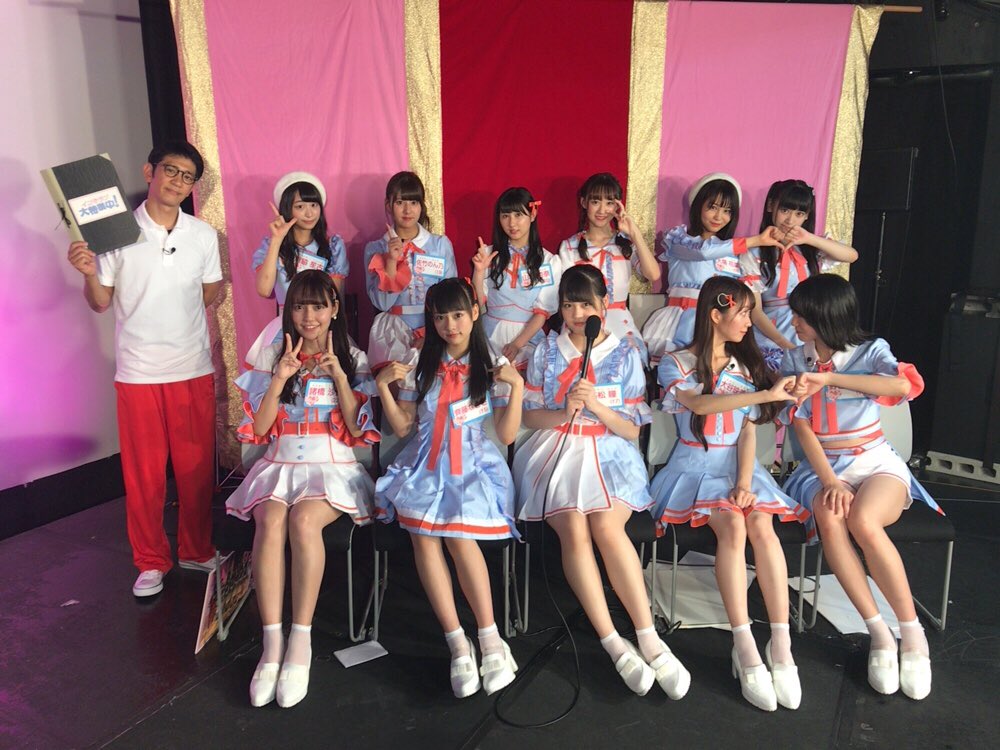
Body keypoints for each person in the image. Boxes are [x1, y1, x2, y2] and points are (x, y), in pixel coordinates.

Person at [513, 265, 690, 699]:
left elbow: (631, 430)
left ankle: (648, 636)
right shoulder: (545, 352)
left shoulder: (626, 353)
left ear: (604, 304)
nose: (577, 314)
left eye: (585, 305)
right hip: (557, 449)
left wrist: (597, 406)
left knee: (608, 528)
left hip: (610, 451)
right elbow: (527, 417)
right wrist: (564, 412)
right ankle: (613, 642)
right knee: (574, 529)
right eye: (568, 305)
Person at [66, 140, 221, 597]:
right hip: (138, 374)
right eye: (170, 170)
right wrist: (87, 272)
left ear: (193, 186)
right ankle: (151, 560)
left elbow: (210, 292)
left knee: (196, 472)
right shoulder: (114, 233)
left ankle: (196, 550)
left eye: (187, 177)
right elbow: (100, 302)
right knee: (144, 477)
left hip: (192, 367)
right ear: (149, 171)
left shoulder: (203, 235)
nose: (178, 182)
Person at [782, 274, 942, 701]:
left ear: (825, 317)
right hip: (823, 467)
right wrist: (830, 481)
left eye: (801, 316)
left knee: (864, 522)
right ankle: (879, 634)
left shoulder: (871, 351)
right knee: (831, 516)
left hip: (875, 460)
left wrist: (830, 380)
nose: (793, 322)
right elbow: (801, 426)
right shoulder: (794, 359)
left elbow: (901, 386)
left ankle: (912, 634)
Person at [650, 277, 807, 711]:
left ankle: (780, 644)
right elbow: (699, 405)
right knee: (733, 527)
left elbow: (747, 431)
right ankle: (744, 644)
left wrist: (744, 483)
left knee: (762, 525)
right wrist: (763, 393)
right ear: (715, 314)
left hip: (740, 469)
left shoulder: (747, 365)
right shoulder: (676, 363)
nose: (749, 322)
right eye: (743, 313)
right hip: (694, 467)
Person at [226, 270, 378, 708]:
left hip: (331, 465)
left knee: (305, 520)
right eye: (299, 306)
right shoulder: (274, 353)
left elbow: (356, 429)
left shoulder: (352, 356)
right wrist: (280, 377)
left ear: (334, 309)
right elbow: (258, 428)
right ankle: (271, 643)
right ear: (288, 310)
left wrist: (340, 377)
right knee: (271, 520)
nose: (308, 316)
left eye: (317, 306)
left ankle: (301, 640)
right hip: (280, 463)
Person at [374, 278, 523, 698]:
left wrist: (517, 387)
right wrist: (383, 387)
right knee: (423, 536)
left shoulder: (492, 362)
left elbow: (507, 435)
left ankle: (490, 639)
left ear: (475, 312)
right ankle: (457, 642)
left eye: (458, 314)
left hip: (472, 464)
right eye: (440, 317)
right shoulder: (418, 359)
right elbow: (403, 426)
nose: (449, 325)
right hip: (425, 461)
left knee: (458, 536)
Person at [641, 173, 780, 366]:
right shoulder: (680, 241)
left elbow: (752, 307)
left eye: (727, 211)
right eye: (712, 207)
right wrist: (756, 240)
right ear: (698, 206)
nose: (718, 217)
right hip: (679, 324)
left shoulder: (741, 255)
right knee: (678, 375)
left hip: (720, 326)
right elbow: (704, 252)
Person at [743, 179, 858, 369]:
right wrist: (784, 345)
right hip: (771, 335)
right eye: (785, 210)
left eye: (799, 214)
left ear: (807, 216)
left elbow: (851, 256)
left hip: (811, 331)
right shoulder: (754, 252)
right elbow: (755, 311)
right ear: (771, 206)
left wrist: (809, 238)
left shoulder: (810, 249)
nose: (790, 220)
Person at [245, 171, 349, 367]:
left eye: (314, 205)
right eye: (300, 206)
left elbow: (334, 295)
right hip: (285, 327)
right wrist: (277, 240)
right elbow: (264, 289)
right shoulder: (271, 246)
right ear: (287, 209)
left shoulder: (332, 247)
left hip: (321, 327)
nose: (309, 213)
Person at [555, 173, 659, 363]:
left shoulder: (626, 244)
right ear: (584, 203)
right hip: (580, 324)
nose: (602, 210)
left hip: (620, 325)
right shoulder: (569, 246)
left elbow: (653, 274)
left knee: (630, 364)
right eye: (595, 201)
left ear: (618, 206)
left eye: (609, 202)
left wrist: (634, 233)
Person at [365, 171, 456, 371]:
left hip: (436, 329)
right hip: (392, 332)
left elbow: (451, 298)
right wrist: (391, 261)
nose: (407, 210)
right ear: (388, 205)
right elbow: (381, 303)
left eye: (414, 202)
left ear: (421, 205)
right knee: (395, 385)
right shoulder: (375, 248)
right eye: (400, 202)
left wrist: (432, 335)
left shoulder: (440, 245)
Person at [470, 187, 561, 370]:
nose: (512, 223)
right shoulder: (488, 254)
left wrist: (517, 344)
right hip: (489, 335)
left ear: (533, 214)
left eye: (518, 215)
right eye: (505, 216)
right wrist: (479, 272)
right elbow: (478, 304)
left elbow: (542, 313)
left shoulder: (549, 261)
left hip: (527, 337)